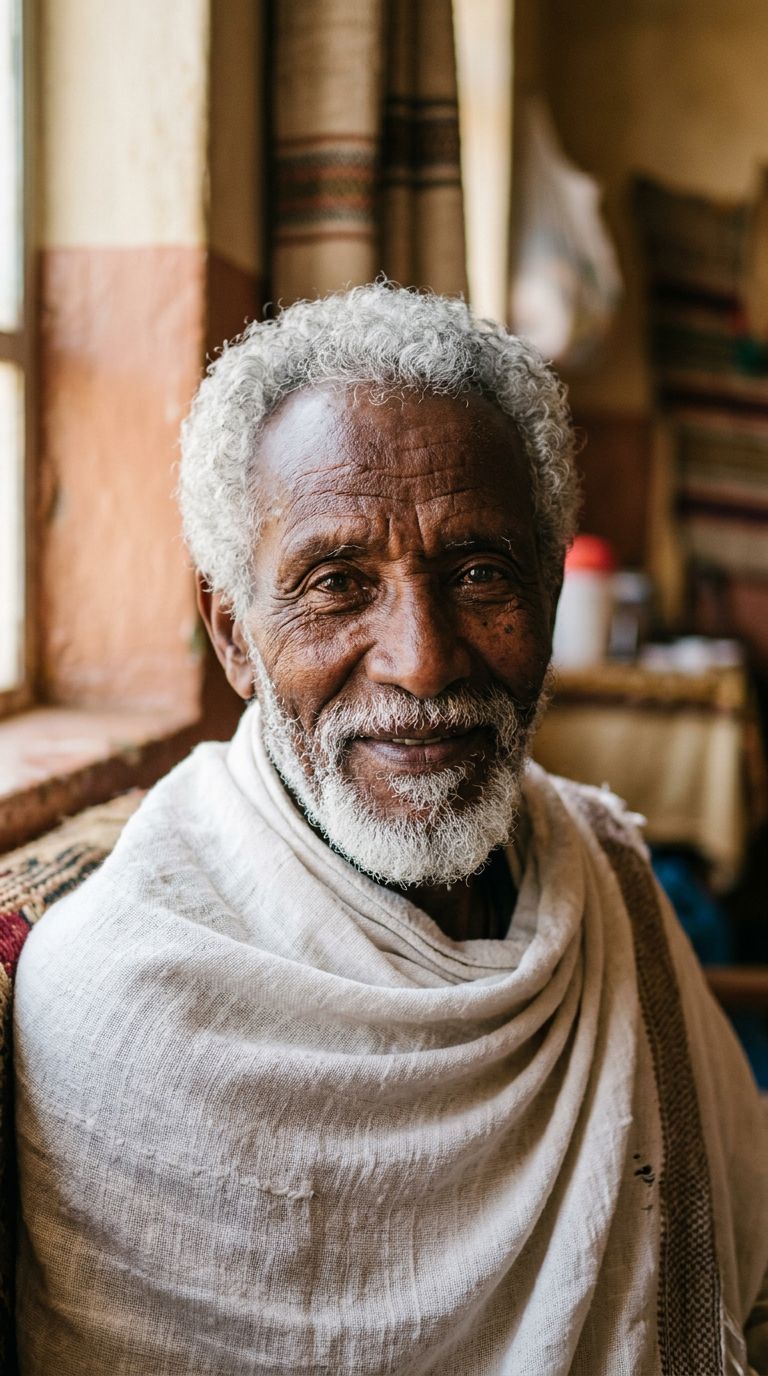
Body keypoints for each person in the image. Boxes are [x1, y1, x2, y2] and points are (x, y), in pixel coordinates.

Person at [14, 283, 768, 1375]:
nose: (421, 658)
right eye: (336, 584)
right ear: (234, 635)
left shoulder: (601, 873)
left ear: (552, 594)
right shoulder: (128, 992)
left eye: (479, 572)